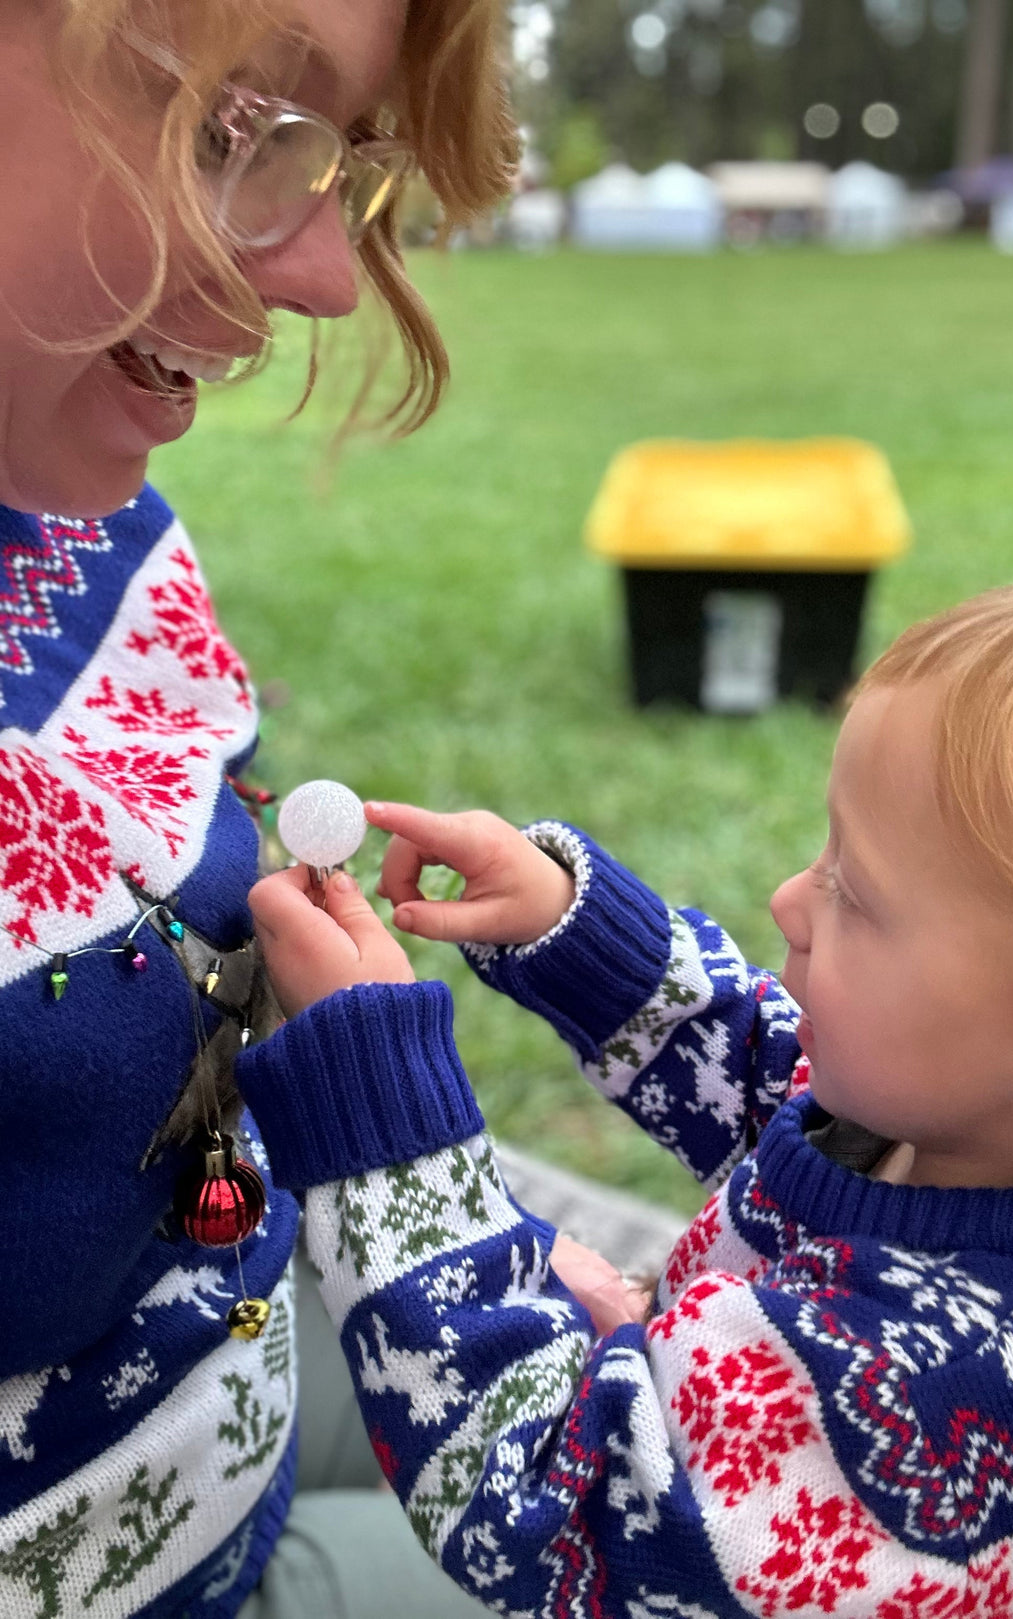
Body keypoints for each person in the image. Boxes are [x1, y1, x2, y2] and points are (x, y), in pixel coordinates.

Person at [243, 569, 1013, 1619]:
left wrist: (381, 1113)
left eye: (857, 892)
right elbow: (770, 1080)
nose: (790, 897)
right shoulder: (994, 1137)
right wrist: (570, 926)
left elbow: (552, 1511)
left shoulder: (925, 1413)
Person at [0, 1, 539, 1613]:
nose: (319, 276)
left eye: (343, 162)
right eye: (239, 129)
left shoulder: (82, 522)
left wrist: (474, 1255)